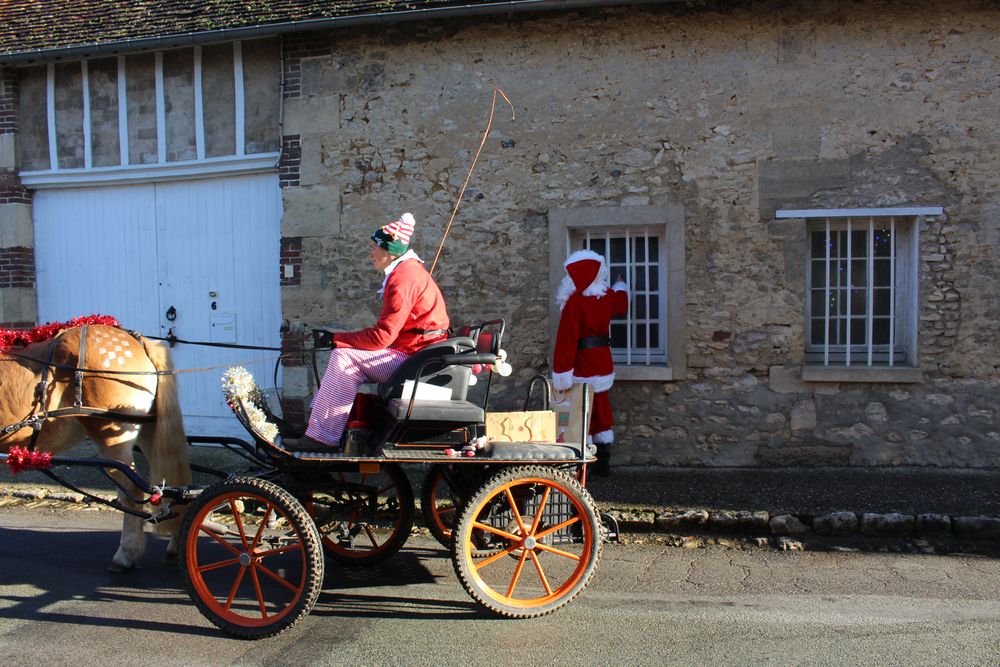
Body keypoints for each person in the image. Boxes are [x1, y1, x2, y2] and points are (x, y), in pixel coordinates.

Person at [293, 212, 450, 451]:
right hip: (414, 355)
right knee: (344, 356)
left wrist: (337, 340)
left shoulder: (403, 278)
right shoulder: (408, 272)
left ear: (388, 250)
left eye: (373, 247)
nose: (371, 253)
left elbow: (381, 337)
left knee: (344, 359)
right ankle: (320, 425)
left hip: (415, 361)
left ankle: (322, 436)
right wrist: (339, 339)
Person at [551, 249, 629, 476]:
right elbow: (622, 303)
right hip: (603, 363)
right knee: (602, 410)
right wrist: (621, 285)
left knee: (581, 411)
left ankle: (582, 464)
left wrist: (562, 372)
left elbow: (566, 341)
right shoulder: (607, 297)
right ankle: (604, 461)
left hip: (582, 364)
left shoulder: (574, 304)